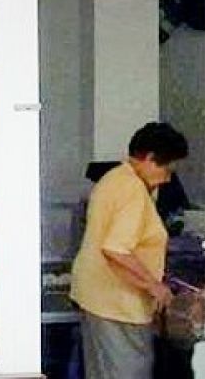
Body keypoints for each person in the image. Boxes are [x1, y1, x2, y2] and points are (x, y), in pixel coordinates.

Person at [70, 122, 189, 379]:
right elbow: (116, 249)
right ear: (149, 159)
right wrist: (153, 285)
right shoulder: (132, 190)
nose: (168, 178)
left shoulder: (115, 178)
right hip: (118, 304)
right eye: (167, 169)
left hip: (97, 297)